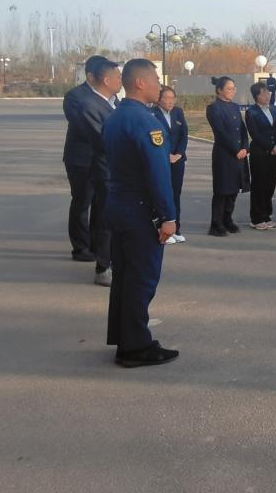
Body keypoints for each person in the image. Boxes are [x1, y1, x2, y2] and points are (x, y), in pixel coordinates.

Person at [102, 58, 179, 368]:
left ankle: (124, 338)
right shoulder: (146, 122)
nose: (160, 86)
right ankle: (136, 347)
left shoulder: (115, 116)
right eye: (156, 80)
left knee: (124, 277)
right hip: (139, 211)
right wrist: (168, 216)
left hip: (117, 205)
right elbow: (158, 174)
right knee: (142, 280)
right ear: (140, 83)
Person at [62, 55, 121, 286]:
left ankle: (99, 246)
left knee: (101, 205)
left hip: (103, 161)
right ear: (91, 75)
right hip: (82, 159)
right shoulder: (76, 97)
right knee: (82, 201)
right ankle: (81, 247)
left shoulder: (111, 97)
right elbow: (86, 128)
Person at [206, 76, 250, 236]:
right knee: (222, 190)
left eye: (234, 88)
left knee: (233, 189)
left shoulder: (235, 107)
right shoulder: (214, 108)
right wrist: (235, 149)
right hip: (224, 155)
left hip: (239, 154)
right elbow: (220, 132)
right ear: (219, 90)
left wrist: (245, 147)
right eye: (229, 88)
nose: (233, 91)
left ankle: (227, 219)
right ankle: (216, 223)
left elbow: (242, 129)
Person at [245, 82, 276, 230]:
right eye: (263, 93)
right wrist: (271, 146)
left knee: (270, 184)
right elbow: (255, 134)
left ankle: (266, 215)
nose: (267, 96)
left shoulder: (274, 109)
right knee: (259, 185)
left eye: (268, 93)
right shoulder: (251, 112)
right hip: (260, 153)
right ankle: (256, 218)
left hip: (275, 154)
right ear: (256, 96)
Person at [153, 86, 189, 243]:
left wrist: (178, 154)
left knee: (175, 194)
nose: (170, 101)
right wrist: (166, 155)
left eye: (172, 98)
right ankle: (161, 227)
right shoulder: (152, 113)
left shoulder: (178, 112)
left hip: (177, 161)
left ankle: (176, 228)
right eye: (166, 98)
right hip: (161, 160)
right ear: (159, 99)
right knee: (161, 193)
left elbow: (184, 135)